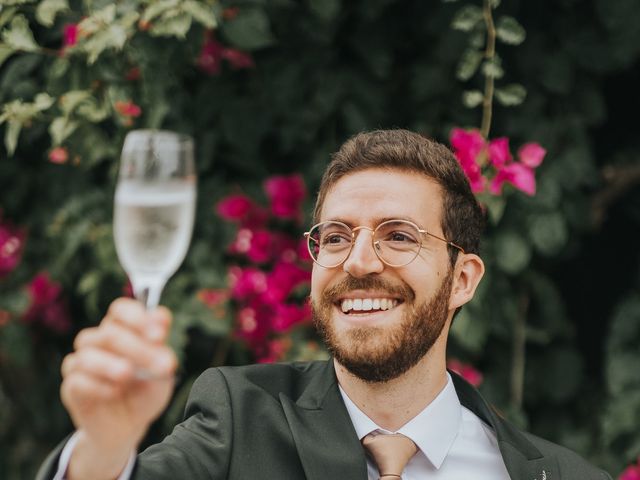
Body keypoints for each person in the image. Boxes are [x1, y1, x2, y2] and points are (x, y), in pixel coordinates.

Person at [37, 130, 611, 480]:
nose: (358, 261)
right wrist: (104, 448)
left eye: (399, 236)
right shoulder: (239, 420)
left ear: (462, 278)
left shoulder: (563, 477)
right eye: (335, 236)